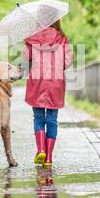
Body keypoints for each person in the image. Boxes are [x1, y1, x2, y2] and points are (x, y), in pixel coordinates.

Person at [22, 19, 73, 167]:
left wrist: (27, 44)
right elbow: (68, 61)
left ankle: (41, 150)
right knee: (52, 119)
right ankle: (49, 158)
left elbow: (26, 57)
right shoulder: (62, 38)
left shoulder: (33, 38)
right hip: (55, 81)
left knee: (38, 117)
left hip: (37, 80)